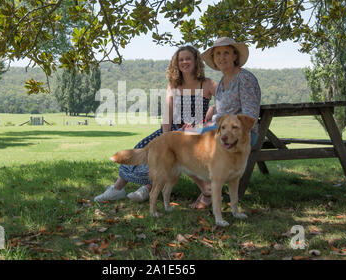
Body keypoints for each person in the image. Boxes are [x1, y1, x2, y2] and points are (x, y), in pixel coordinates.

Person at [94, 45, 217, 202]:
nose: (184, 62)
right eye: (181, 59)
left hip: (195, 134)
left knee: (167, 157)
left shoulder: (207, 84)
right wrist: (166, 138)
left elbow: (226, 101)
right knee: (141, 149)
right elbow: (167, 114)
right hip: (171, 131)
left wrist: (212, 108)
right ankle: (118, 189)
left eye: (188, 59)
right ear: (176, 63)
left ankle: (147, 188)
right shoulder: (173, 84)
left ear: (196, 61)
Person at [188, 37, 261, 209]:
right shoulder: (221, 82)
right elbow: (223, 109)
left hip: (241, 135)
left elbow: (249, 116)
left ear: (235, 56)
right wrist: (210, 113)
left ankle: (208, 191)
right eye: (218, 54)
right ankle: (207, 188)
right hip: (218, 129)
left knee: (189, 140)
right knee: (183, 135)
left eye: (226, 53)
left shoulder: (245, 78)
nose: (221, 57)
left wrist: (211, 126)